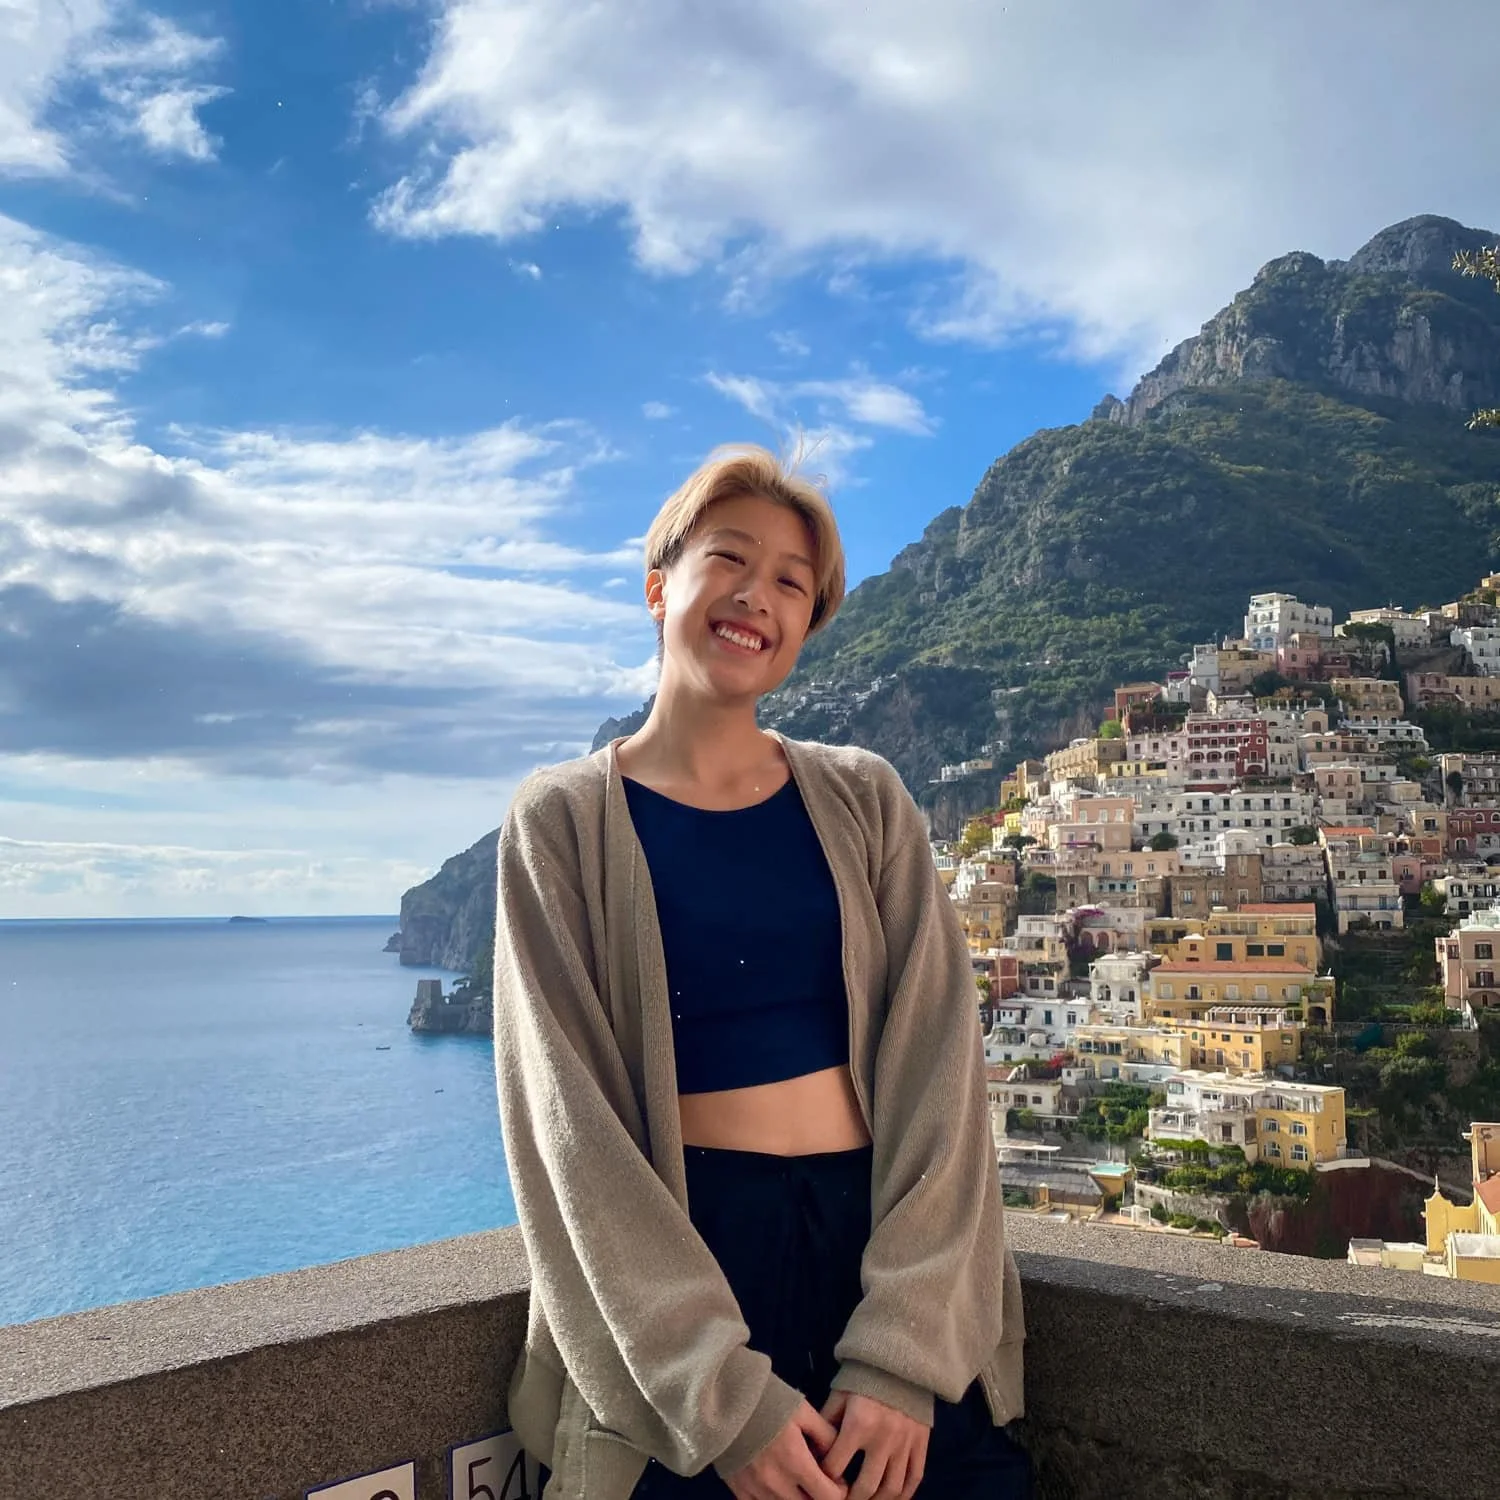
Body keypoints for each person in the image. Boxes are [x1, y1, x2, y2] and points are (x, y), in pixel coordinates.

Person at [492, 445, 1029, 1500]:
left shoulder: (865, 798)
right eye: (730, 559)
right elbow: (568, 1127)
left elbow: (941, 1069)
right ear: (661, 587)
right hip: (688, 1277)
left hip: (876, 1257)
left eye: (792, 581)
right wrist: (721, 1397)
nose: (758, 597)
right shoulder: (562, 820)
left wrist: (904, 1354)